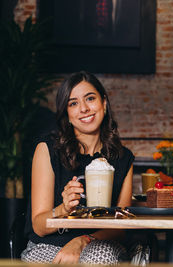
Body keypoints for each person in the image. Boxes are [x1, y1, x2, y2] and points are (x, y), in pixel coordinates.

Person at [21, 71, 135, 264]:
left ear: (104, 104)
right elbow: (39, 226)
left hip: (99, 243)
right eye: (73, 103)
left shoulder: (122, 158)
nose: (83, 108)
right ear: (67, 113)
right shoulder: (47, 150)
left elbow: (120, 228)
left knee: (98, 258)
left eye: (90, 99)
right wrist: (63, 209)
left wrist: (83, 240)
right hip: (49, 243)